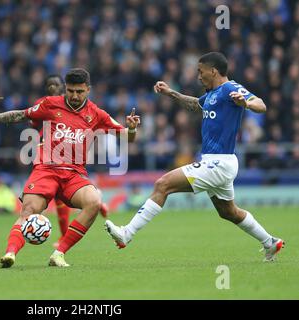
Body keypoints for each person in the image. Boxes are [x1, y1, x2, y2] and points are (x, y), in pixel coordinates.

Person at [105, 52, 285, 262]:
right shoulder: (211, 94)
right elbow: (194, 104)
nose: (198, 76)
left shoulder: (229, 88)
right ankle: (270, 242)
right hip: (217, 162)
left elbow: (261, 104)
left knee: (163, 184)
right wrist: (171, 93)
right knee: (229, 212)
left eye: (200, 72)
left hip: (219, 163)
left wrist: (246, 103)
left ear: (213, 71)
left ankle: (127, 233)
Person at [0, 68, 140, 267]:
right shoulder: (50, 104)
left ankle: (58, 254)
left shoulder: (97, 114)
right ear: (66, 88)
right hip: (46, 170)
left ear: (88, 90)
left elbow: (127, 137)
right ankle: (10, 254)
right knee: (29, 210)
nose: (74, 96)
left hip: (74, 174)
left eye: (80, 92)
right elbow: (20, 115)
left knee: (93, 201)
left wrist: (132, 128)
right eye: (71, 91)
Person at [33, 74, 109, 249]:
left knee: (64, 198)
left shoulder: (75, 106)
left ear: (63, 86)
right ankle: (97, 204)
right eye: (49, 84)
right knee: (60, 199)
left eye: (56, 84)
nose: (53, 87)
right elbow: (32, 121)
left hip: (68, 154)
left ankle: (63, 237)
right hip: (47, 151)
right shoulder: (44, 103)